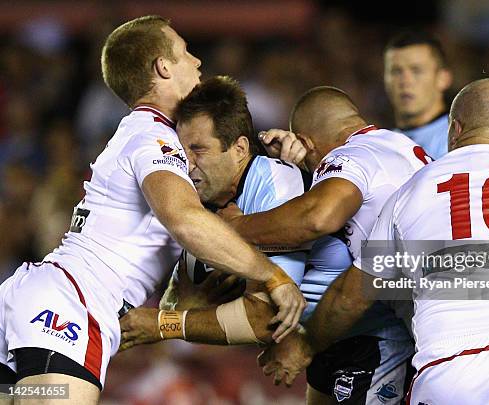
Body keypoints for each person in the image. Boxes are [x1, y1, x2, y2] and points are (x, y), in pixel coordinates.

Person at [0, 16, 305, 404]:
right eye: (185, 51)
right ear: (163, 66)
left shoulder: (143, 134)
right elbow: (182, 218)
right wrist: (272, 275)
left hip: (36, 301)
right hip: (69, 308)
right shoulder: (154, 135)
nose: (197, 62)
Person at [258, 79, 489, 404]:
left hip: (449, 372)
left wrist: (303, 345)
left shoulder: (412, 191)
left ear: (454, 130)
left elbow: (352, 297)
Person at [218, 86, 430, 404]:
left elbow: (317, 217)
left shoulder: (351, 156)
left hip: (418, 331)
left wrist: (235, 227)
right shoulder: (402, 146)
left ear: (307, 143)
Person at [119, 75, 310, 349]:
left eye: (198, 150)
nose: (185, 163)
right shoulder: (196, 201)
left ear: (239, 149)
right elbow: (175, 303)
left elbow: (265, 320)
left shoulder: (276, 183)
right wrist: (186, 314)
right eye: (180, 151)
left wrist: (165, 324)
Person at [384, 30, 452, 159]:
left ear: (443, 78)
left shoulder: (459, 140)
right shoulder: (381, 144)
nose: (405, 81)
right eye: (396, 71)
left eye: (416, 71)